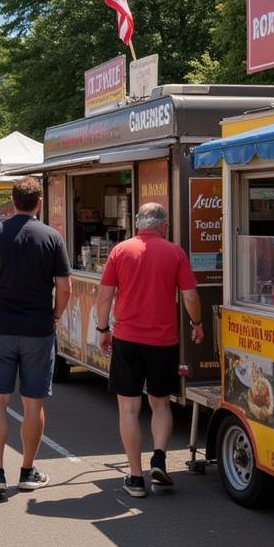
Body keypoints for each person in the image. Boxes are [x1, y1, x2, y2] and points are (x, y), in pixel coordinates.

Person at [94, 203, 203, 498]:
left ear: (139, 224)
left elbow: (104, 296)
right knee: (161, 404)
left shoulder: (120, 251)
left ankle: (136, 477)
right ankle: (159, 459)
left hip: (127, 339)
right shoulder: (175, 252)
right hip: (163, 341)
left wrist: (103, 330)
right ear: (163, 225)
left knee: (129, 408)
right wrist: (197, 323)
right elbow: (190, 295)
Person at [0, 177, 71, 496]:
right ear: (39, 203)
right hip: (38, 329)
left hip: (1, 326)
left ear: (11, 202)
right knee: (33, 404)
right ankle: (27, 471)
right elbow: (65, 287)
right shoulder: (52, 237)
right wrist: (55, 314)